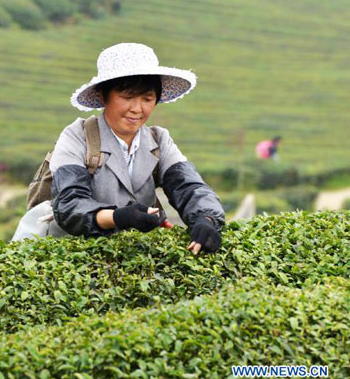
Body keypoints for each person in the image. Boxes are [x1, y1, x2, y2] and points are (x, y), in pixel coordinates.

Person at [19, 43, 225, 255]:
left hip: (129, 260)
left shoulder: (158, 140)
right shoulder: (77, 137)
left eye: (147, 99)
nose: (137, 109)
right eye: (127, 97)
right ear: (103, 96)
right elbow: (69, 203)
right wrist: (117, 218)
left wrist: (206, 219)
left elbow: (189, 187)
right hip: (72, 256)